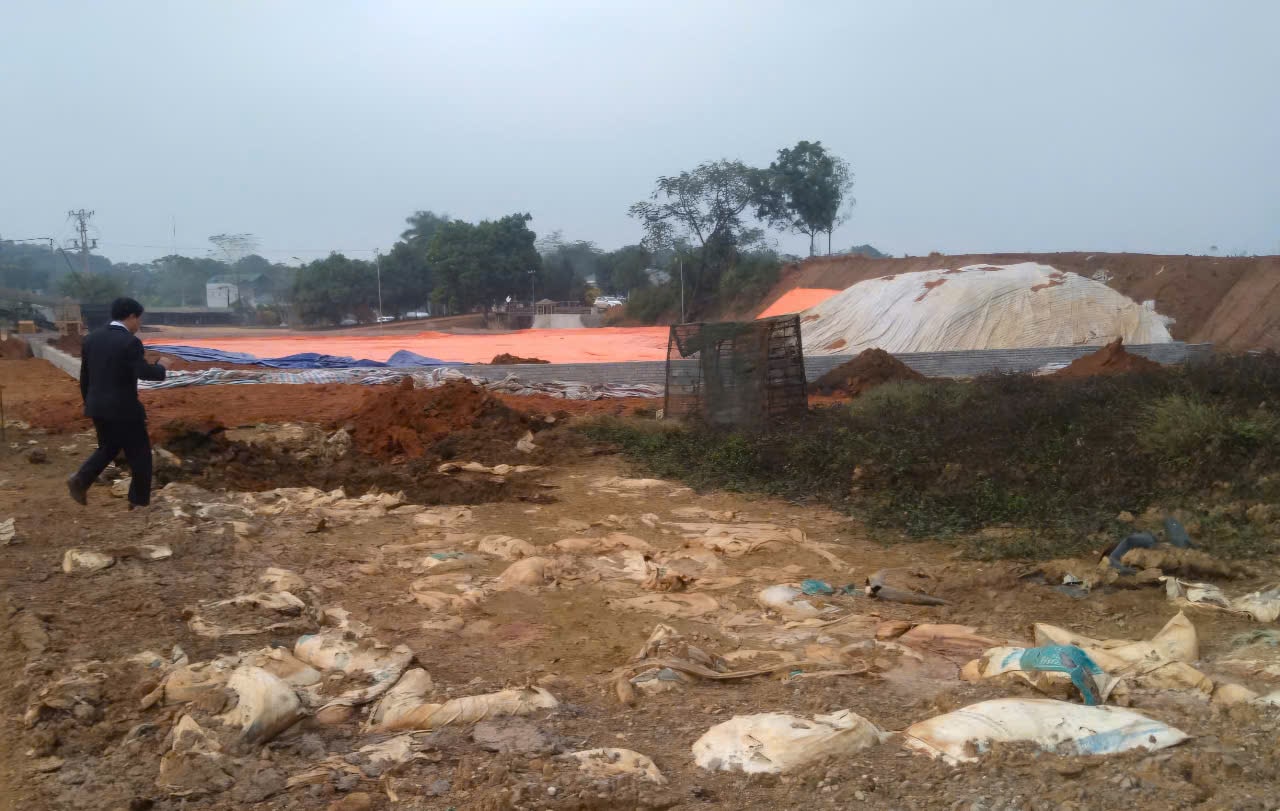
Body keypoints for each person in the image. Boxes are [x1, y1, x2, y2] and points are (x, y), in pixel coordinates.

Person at [67, 297, 171, 509]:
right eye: (139, 319)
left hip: (97, 406)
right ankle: (139, 501)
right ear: (131, 316)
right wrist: (161, 366)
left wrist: (90, 403)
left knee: (108, 447)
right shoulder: (130, 342)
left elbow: (85, 376)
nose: (139, 324)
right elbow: (144, 372)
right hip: (123, 409)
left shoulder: (92, 339)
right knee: (140, 455)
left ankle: (81, 480)